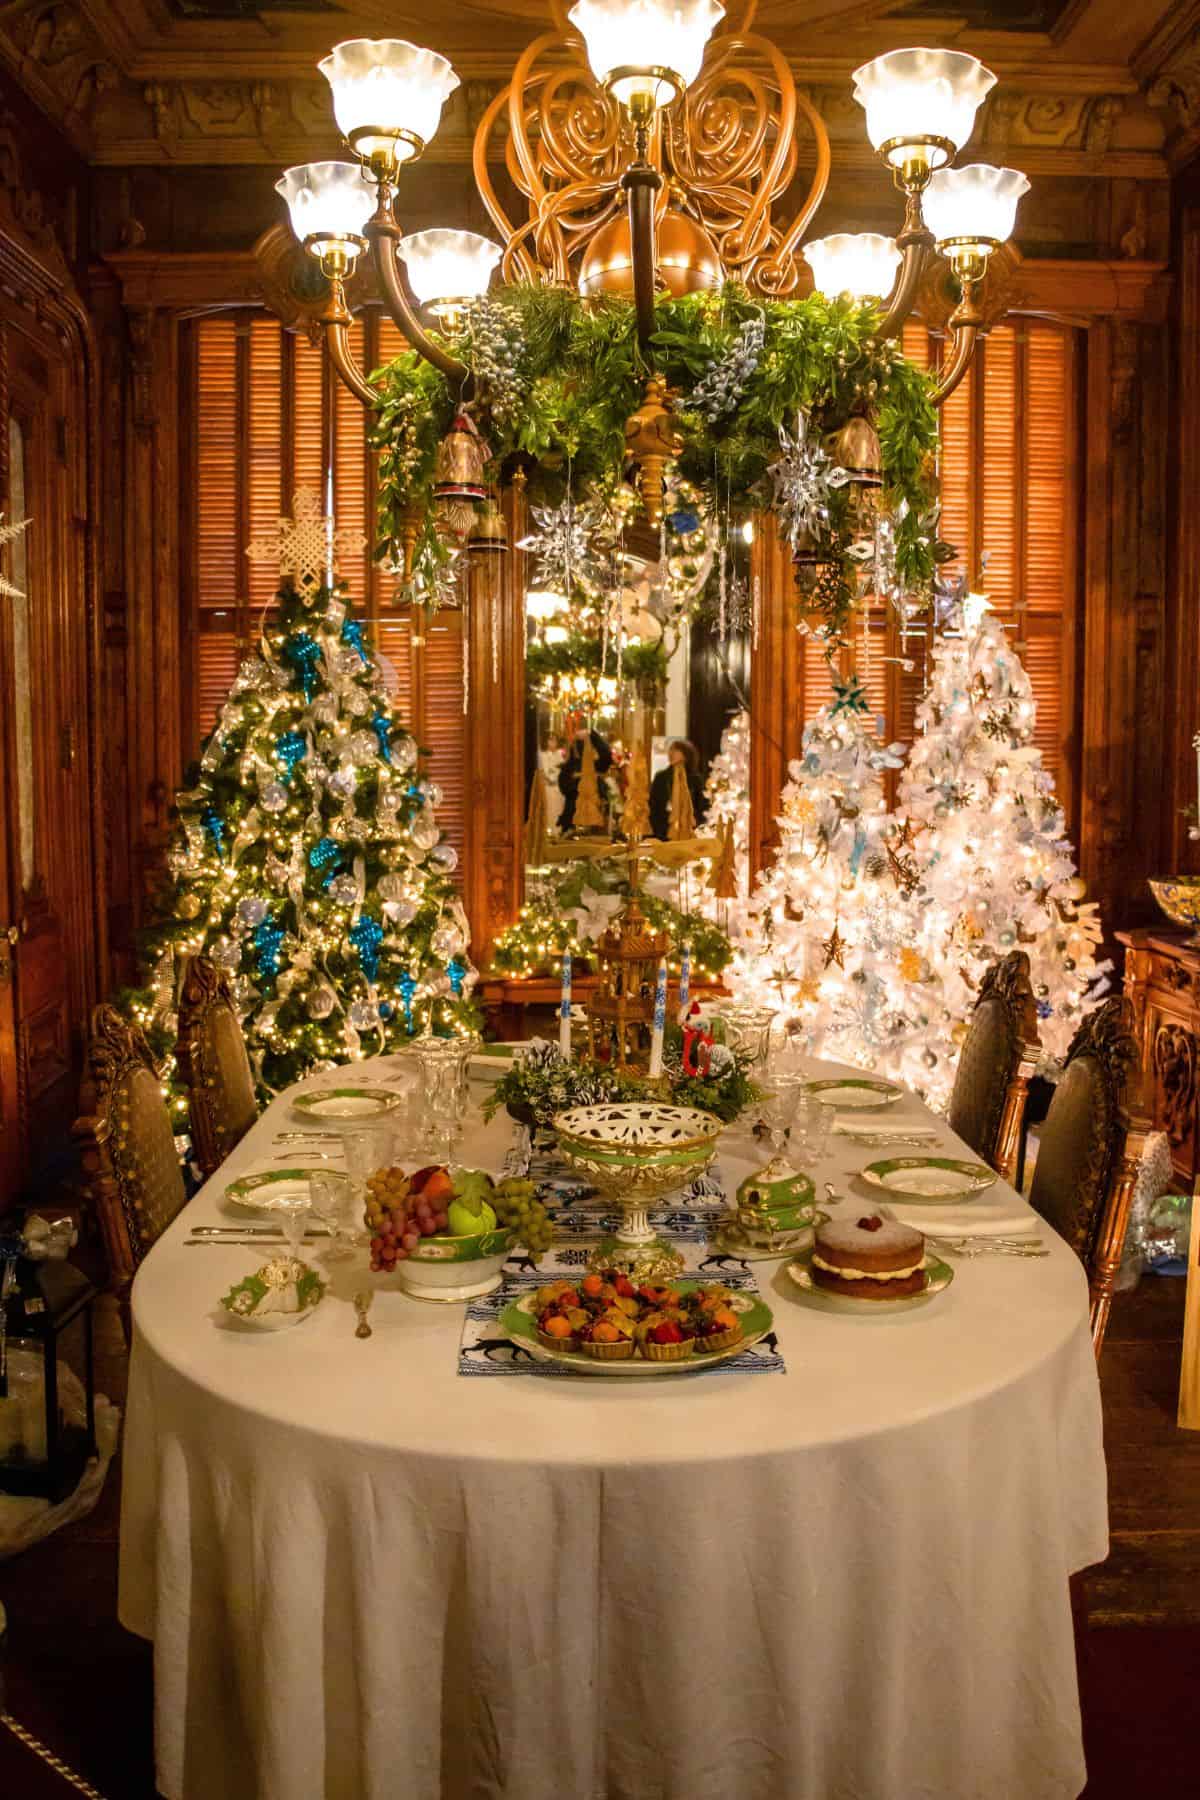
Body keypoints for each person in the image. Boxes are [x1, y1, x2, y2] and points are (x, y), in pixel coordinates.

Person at [649, 738, 708, 840]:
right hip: (664, 831)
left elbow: (702, 806)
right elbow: (653, 805)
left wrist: (695, 823)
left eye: (675, 750)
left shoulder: (695, 779)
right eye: (670, 750)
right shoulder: (661, 777)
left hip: (689, 831)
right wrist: (658, 829)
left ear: (686, 755)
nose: (671, 753)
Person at [558, 728, 613, 832]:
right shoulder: (569, 767)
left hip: (596, 821)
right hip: (573, 819)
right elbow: (565, 787)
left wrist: (592, 734)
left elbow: (606, 754)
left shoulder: (597, 765)